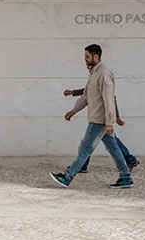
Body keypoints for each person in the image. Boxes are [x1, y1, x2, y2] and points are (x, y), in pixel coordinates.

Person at [50, 44, 133, 188]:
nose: (85, 59)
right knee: (114, 149)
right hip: (98, 119)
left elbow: (109, 99)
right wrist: (73, 111)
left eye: (87, 56)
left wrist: (109, 122)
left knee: (85, 148)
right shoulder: (94, 73)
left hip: (99, 121)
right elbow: (87, 96)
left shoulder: (104, 74)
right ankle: (126, 177)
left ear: (96, 56)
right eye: (85, 56)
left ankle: (67, 177)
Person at [63, 63, 138, 173]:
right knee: (111, 145)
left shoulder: (103, 74)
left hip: (102, 119)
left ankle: (77, 170)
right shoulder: (94, 76)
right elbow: (88, 91)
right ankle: (127, 169)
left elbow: (111, 99)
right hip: (100, 118)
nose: (87, 66)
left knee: (88, 145)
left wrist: (114, 118)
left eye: (87, 60)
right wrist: (73, 94)